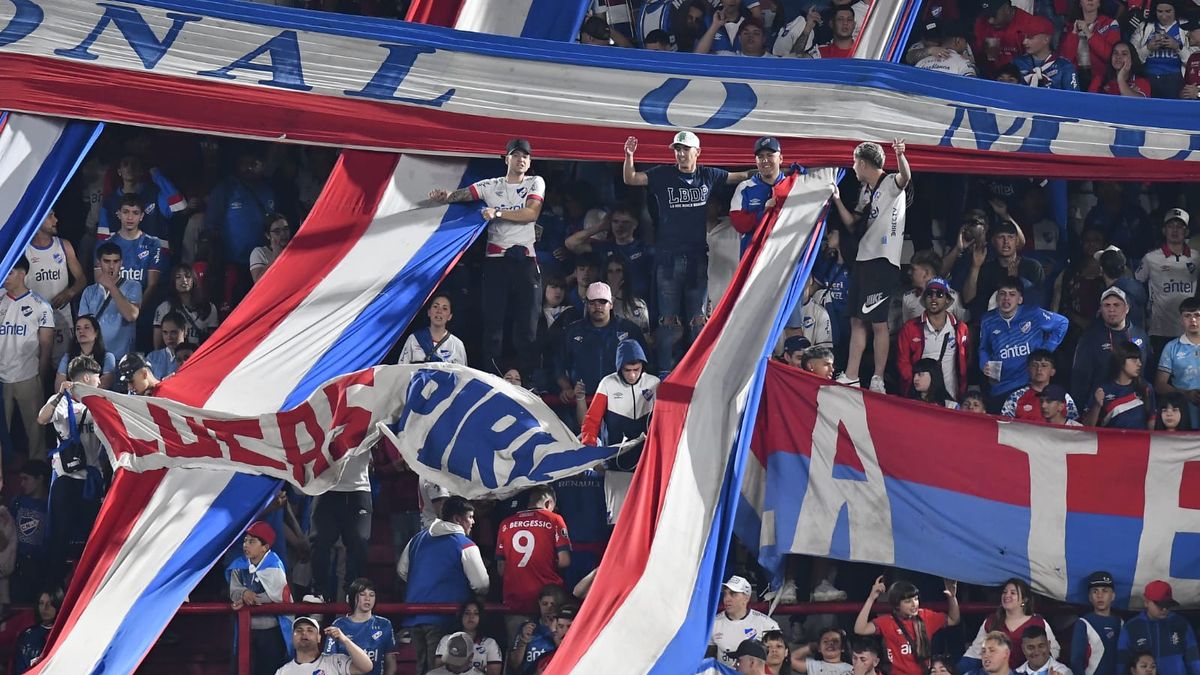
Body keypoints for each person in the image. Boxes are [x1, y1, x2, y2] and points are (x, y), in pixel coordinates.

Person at [623, 131, 754, 372]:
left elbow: (740, 176)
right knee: (668, 320)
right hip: (668, 259)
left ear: (697, 152)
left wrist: (771, 172)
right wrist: (629, 156)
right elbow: (631, 179)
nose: (680, 154)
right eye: (677, 150)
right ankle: (666, 371)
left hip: (696, 258)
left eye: (685, 149)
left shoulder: (707, 174)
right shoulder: (663, 174)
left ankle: (699, 370)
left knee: (698, 319)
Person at [428, 138, 544, 377]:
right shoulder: (492, 185)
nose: (521, 159)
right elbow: (464, 194)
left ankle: (529, 380)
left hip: (525, 260)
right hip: (496, 260)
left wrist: (498, 212)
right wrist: (446, 196)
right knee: (493, 325)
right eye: (516, 155)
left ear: (530, 161)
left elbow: (531, 213)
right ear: (506, 159)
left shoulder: (535, 182)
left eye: (525, 156)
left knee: (528, 326)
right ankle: (491, 376)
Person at [831, 139, 912, 393]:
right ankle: (852, 374)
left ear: (863, 163)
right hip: (863, 260)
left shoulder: (889, 184)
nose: (853, 168)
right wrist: (836, 199)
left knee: (878, 323)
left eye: (855, 163)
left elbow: (905, 177)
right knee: (857, 320)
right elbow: (853, 224)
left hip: (883, 261)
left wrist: (899, 155)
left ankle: (878, 378)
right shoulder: (866, 192)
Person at [398, 496, 489, 675]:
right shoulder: (464, 544)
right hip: (445, 617)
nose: (473, 522)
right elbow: (481, 584)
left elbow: (402, 571)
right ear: (457, 519)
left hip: (414, 615)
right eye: (470, 517)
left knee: (422, 668)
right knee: (440, 670)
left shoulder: (417, 538)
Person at [37, 355, 106, 590]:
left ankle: (91, 589)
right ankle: (51, 593)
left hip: (91, 482)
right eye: (97, 377)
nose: (99, 381)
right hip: (66, 482)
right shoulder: (62, 404)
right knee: (59, 539)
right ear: (86, 377)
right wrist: (59, 394)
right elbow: (42, 418)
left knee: (93, 540)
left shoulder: (100, 403)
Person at [579, 340, 660, 523]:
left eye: (636, 369)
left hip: (646, 461)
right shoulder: (608, 383)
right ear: (619, 368)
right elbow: (591, 421)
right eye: (627, 370)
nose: (632, 375)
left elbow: (665, 421)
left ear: (643, 367)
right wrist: (591, 457)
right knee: (618, 520)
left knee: (647, 519)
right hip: (616, 464)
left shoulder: (654, 383)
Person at [978, 278, 1069, 412]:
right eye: (1002, 293)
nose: (1006, 298)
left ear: (1020, 299)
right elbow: (984, 347)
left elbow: (1062, 323)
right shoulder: (988, 320)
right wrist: (984, 363)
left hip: (1029, 384)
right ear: (997, 298)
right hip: (1001, 387)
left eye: (1012, 294)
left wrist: (1046, 350)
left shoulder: (1033, 314)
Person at [496, 487, 571, 639]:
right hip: (549, 602)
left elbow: (501, 569)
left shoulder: (505, 524)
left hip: (516, 601)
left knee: (518, 652)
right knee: (552, 651)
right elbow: (564, 561)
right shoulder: (554, 519)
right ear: (549, 503)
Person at [556, 282, 648, 401]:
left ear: (611, 304)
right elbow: (558, 365)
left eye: (602, 302)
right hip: (582, 402)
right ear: (587, 304)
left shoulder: (630, 330)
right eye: (593, 302)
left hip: (622, 402)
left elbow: (646, 365)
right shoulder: (572, 331)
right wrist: (566, 387)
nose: (597, 306)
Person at [1, 256, 55, 460]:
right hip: (1, 380)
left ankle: (38, 472)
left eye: (10, 272)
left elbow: (46, 345)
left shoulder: (40, 305)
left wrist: (39, 377)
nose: (5, 276)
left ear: (23, 274)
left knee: (36, 433)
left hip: (27, 376)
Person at [855, 577, 961, 675]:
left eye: (915, 599)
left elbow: (953, 620)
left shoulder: (926, 616)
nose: (914, 604)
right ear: (896, 605)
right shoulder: (887, 622)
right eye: (908, 601)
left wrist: (952, 597)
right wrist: (871, 598)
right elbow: (860, 629)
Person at [228, 520, 293, 675]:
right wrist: (243, 594)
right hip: (246, 630)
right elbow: (234, 590)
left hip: (270, 632)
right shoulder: (239, 565)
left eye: (252, 541)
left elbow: (277, 594)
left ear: (265, 547)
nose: (246, 545)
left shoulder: (274, 566)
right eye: (245, 541)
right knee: (241, 669)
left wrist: (251, 598)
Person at [24, 210, 86, 366]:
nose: (56, 219)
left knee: (62, 368)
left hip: (61, 320)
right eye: (50, 216)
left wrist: (70, 293)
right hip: (34, 321)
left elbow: (82, 279)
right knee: (35, 368)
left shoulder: (64, 245)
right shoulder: (23, 250)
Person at [1072, 287, 1151, 406]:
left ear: (1127, 308)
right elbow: (1080, 378)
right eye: (1107, 305)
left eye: (1116, 305)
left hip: (1134, 404)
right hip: (1100, 405)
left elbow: (1147, 371)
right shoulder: (1090, 338)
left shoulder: (1141, 335)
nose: (1111, 309)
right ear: (1101, 309)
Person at [1136, 209, 1199, 354]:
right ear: (1164, 230)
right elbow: (1137, 284)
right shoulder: (1150, 258)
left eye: (1179, 226)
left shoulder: (1196, 258)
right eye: (1171, 226)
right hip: (1160, 330)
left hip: (1189, 329)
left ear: (1187, 231)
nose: (1175, 230)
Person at [961, 579, 1060, 672]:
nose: (1007, 595)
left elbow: (1054, 650)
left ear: (1024, 600)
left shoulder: (1038, 622)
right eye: (1004, 592)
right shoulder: (991, 621)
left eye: (1013, 593)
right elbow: (975, 652)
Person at [896, 277, 970, 401]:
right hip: (920, 398)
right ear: (925, 299)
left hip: (950, 397)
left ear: (947, 300)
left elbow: (966, 359)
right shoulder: (909, 328)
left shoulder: (960, 328)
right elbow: (902, 361)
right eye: (929, 294)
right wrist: (914, 387)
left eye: (939, 294)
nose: (934, 298)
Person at [1117, 580, 1200, 675]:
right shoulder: (1131, 627)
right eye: (1160, 605)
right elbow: (1121, 663)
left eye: (1168, 605)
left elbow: (1194, 660)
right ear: (1146, 602)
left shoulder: (1181, 624)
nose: (1164, 609)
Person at [79, 242, 142, 364]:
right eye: (107, 261)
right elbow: (83, 327)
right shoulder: (89, 291)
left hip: (122, 359)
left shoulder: (133, 286)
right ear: (99, 263)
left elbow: (131, 315)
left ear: (121, 263)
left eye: (116, 261)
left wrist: (111, 287)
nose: (112, 266)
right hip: (95, 358)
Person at [326, 577, 397, 675]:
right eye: (362, 594)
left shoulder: (384, 624)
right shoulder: (339, 625)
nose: (367, 598)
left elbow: (391, 661)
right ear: (352, 597)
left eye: (371, 595)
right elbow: (329, 662)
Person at [730, 137, 788, 251]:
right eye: (760, 157)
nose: (765, 160)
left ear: (780, 158)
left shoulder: (791, 186)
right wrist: (764, 213)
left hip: (782, 254)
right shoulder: (744, 188)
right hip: (753, 255)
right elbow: (739, 224)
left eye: (770, 155)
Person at [710, 575, 780, 668]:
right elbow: (708, 659)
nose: (726, 599)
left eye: (733, 594)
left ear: (746, 598)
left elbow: (777, 659)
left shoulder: (767, 624)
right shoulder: (713, 623)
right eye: (725, 594)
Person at [1084, 341, 1155, 429]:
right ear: (1121, 362)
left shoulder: (1146, 388)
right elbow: (1086, 428)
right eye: (1134, 360)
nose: (1139, 364)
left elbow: (1151, 422)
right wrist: (1097, 406)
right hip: (1110, 441)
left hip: (1140, 442)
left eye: (1139, 359)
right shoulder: (1102, 389)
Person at [1155, 297, 1200, 427]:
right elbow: (1159, 385)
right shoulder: (1171, 347)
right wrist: (1185, 393)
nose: (1193, 320)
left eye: (1197, 315)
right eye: (1187, 316)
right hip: (1183, 410)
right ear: (1181, 319)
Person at [277, 615, 375, 675]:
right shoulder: (283, 672)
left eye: (310, 630)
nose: (304, 633)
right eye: (299, 630)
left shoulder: (335, 661)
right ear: (292, 638)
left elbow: (366, 667)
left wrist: (345, 640)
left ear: (319, 637)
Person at [10, 461, 50, 603]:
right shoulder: (17, 502)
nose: (22, 484)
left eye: (26, 479)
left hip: (41, 567)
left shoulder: (51, 505)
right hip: (18, 566)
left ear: (40, 479)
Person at [1059, 0, 1121, 92]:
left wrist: (1089, 34)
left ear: (1099, 3)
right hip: (1075, 79)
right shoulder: (1069, 27)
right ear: (1080, 3)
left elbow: (1111, 56)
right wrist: (1073, 34)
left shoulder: (1110, 24)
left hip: (1102, 80)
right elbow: (1065, 60)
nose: (1090, 0)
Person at [1131, 1, 1189, 98]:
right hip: (1148, 78)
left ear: (1175, 10)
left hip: (1176, 80)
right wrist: (1148, 48)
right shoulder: (1145, 26)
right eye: (1160, 11)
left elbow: (1195, 61)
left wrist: (1178, 47)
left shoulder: (1186, 26)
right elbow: (1131, 57)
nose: (1164, 16)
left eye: (1168, 11)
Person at [1002, 350, 1079, 422]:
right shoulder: (1015, 397)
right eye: (1035, 365)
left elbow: (1074, 427)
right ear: (1028, 370)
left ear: (1052, 371)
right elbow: (1004, 425)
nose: (1039, 369)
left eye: (1044, 365)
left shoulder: (1064, 397)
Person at [153, 263, 218, 348]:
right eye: (178, 277)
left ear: (194, 279)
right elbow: (157, 345)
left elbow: (213, 341)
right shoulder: (164, 308)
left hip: (199, 357)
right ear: (173, 282)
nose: (184, 280)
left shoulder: (209, 308)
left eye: (187, 276)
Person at [1071, 571, 1123, 675]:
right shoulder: (1083, 623)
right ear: (1090, 597)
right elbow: (1076, 661)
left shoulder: (1120, 622)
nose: (1100, 595)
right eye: (1095, 591)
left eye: (1105, 591)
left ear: (1113, 596)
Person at [974, 0, 1042, 77]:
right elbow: (979, 58)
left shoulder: (1029, 26)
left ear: (1007, 8)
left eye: (994, 15)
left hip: (1021, 80)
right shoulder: (982, 23)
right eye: (987, 16)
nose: (990, 21)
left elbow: (1036, 66)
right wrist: (985, 53)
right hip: (991, 78)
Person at [434, 600, 501, 675]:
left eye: (476, 613)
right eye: (467, 613)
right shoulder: (447, 639)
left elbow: (494, 673)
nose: (471, 617)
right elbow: (438, 668)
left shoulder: (490, 643)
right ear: (461, 616)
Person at [398, 294, 467, 365]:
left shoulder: (457, 345)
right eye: (435, 306)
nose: (439, 311)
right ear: (429, 312)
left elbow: (462, 374)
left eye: (444, 308)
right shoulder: (414, 339)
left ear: (449, 316)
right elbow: (402, 369)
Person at [1013, 17, 1080, 89]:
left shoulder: (1065, 67)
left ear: (1046, 40)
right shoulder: (1016, 63)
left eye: (1030, 37)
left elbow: (1073, 97)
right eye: (1024, 37)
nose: (1024, 42)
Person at [56, 315, 115, 391]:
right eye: (78, 329)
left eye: (86, 327)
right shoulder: (67, 357)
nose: (81, 331)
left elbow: (105, 384)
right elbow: (59, 386)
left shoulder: (107, 357)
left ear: (96, 333)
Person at [12, 589, 62, 674]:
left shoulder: (64, 633)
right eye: (41, 603)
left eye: (50, 603)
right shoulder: (26, 636)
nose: (45, 608)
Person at [250, 213, 292, 283]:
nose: (283, 234)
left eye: (285, 229)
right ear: (268, 235)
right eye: (277, 231)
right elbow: (258, 282)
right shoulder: (259, 252)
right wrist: (275, 258)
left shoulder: (295, 250)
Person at [147, 312, 186, 379]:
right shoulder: (152, 357)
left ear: (184, 331)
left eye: (173, 332)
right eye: (165, 332)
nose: (169, 337)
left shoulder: (193, 356)